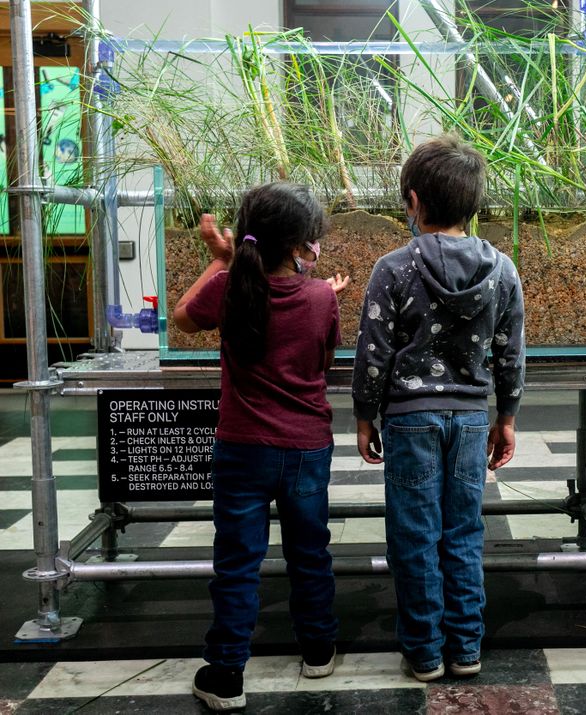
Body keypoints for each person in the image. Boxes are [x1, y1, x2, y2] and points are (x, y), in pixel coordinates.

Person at [352, 134, 525, 682]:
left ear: (412, 200)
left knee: (414, 533)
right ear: (475, 205)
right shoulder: (502, 270)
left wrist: (364, 414)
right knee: (464, 532)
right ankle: (466, 649)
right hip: (473, 419)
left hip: (409, 420)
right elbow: (510, 352)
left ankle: (425, 652)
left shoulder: (393, 268)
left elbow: (373, 351)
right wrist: (507, 417)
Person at [173, 182, 350, 711]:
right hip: (306, 447)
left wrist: (219, 262)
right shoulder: (320, 296)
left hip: (241, 447)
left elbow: (182, 318)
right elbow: (320, 357)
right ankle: (318, 650)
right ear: (302, 244)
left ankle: (226, 672)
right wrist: (319, 297)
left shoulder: (230, 286)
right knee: (310, 552)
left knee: (237, 560)